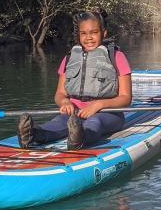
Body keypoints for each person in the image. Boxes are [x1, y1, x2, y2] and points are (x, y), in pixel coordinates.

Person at [17, 10, 132, 150]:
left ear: (104, 33)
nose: (88, 37)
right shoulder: (70, 58)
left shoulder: (117, 57)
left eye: (94, 32)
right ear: (78, 35)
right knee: (58, 122)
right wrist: (64, 102)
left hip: (107, 114)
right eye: (83, 33)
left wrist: (98, 105)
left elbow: (126, 98)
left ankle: (81, 137)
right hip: (75, 114)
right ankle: (33, 135)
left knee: (95, 122)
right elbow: (59, 94)